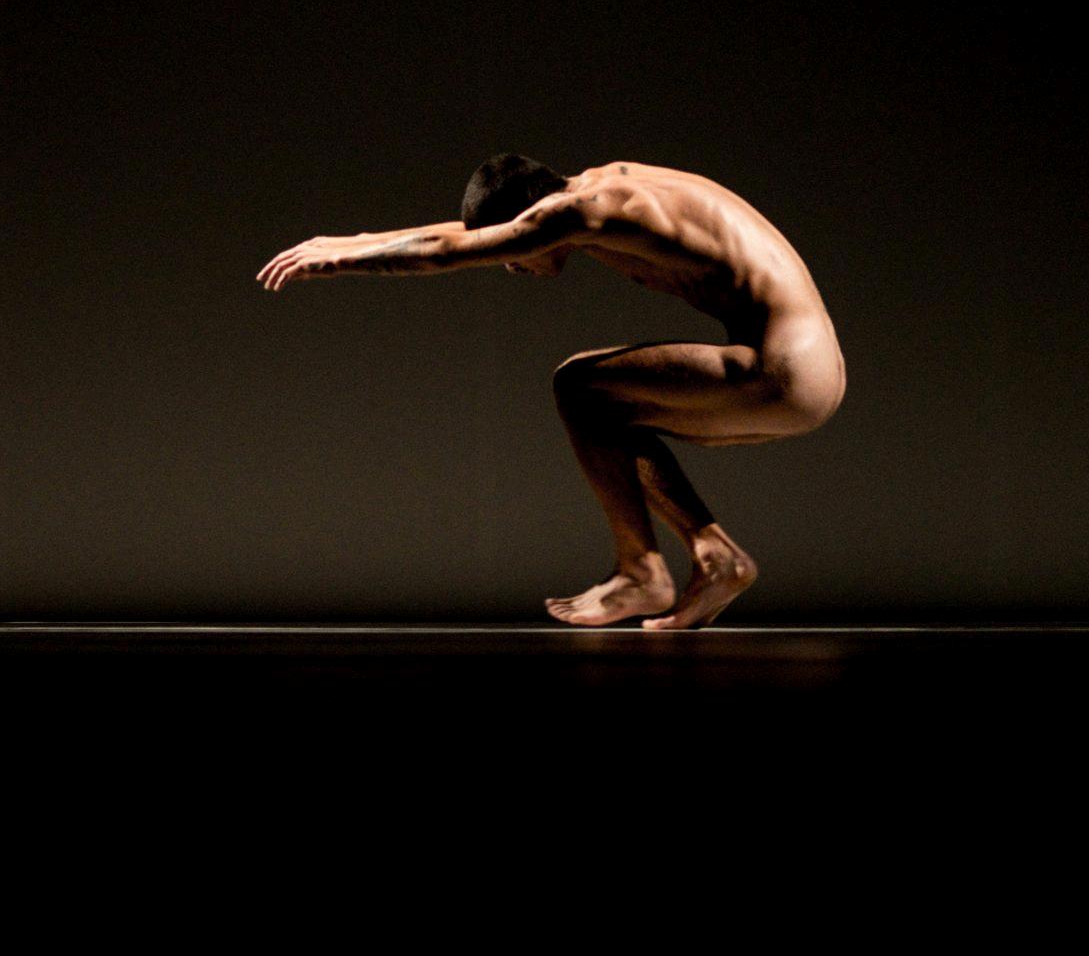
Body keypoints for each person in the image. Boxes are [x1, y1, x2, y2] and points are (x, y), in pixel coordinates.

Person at [257, 155, 846, 629]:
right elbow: (467, 234)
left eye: (516, 252)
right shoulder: (593, 194)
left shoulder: (588, 210)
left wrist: (337, 263)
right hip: (804, 367)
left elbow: (448, 251)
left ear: (533, 216)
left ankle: (641, 573)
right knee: (607, 414)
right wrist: (356, 237)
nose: (513, 264)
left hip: (784, 370)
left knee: (579, 386)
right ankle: (716, 557)